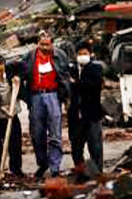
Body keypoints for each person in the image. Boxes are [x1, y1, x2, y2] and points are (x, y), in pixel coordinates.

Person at [19, 30, 69, 179]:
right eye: (42, 44)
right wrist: (25, 96)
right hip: (36, 96)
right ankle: (42, 163)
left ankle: (55, 167)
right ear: (37, 43)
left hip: (53, 95)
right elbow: (20, 72)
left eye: (47, 45)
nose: (45, 47)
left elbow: (65, 76)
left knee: (55, 133)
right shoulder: (29, 56)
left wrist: (66, 97)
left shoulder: (59, 55)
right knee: (37, 133)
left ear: (52, 44)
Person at [68, 40, 104, 172]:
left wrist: (75, 83)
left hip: (92, 113)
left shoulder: (96, 68)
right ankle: (81, 170)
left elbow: (91, 85)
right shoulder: (71, 69)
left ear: (90, 54)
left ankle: (97, 172)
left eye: (85, 53)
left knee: (95, 145)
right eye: (80, 53)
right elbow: (68, 86)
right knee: (76, 145)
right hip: (76, 115)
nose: (82, 56)